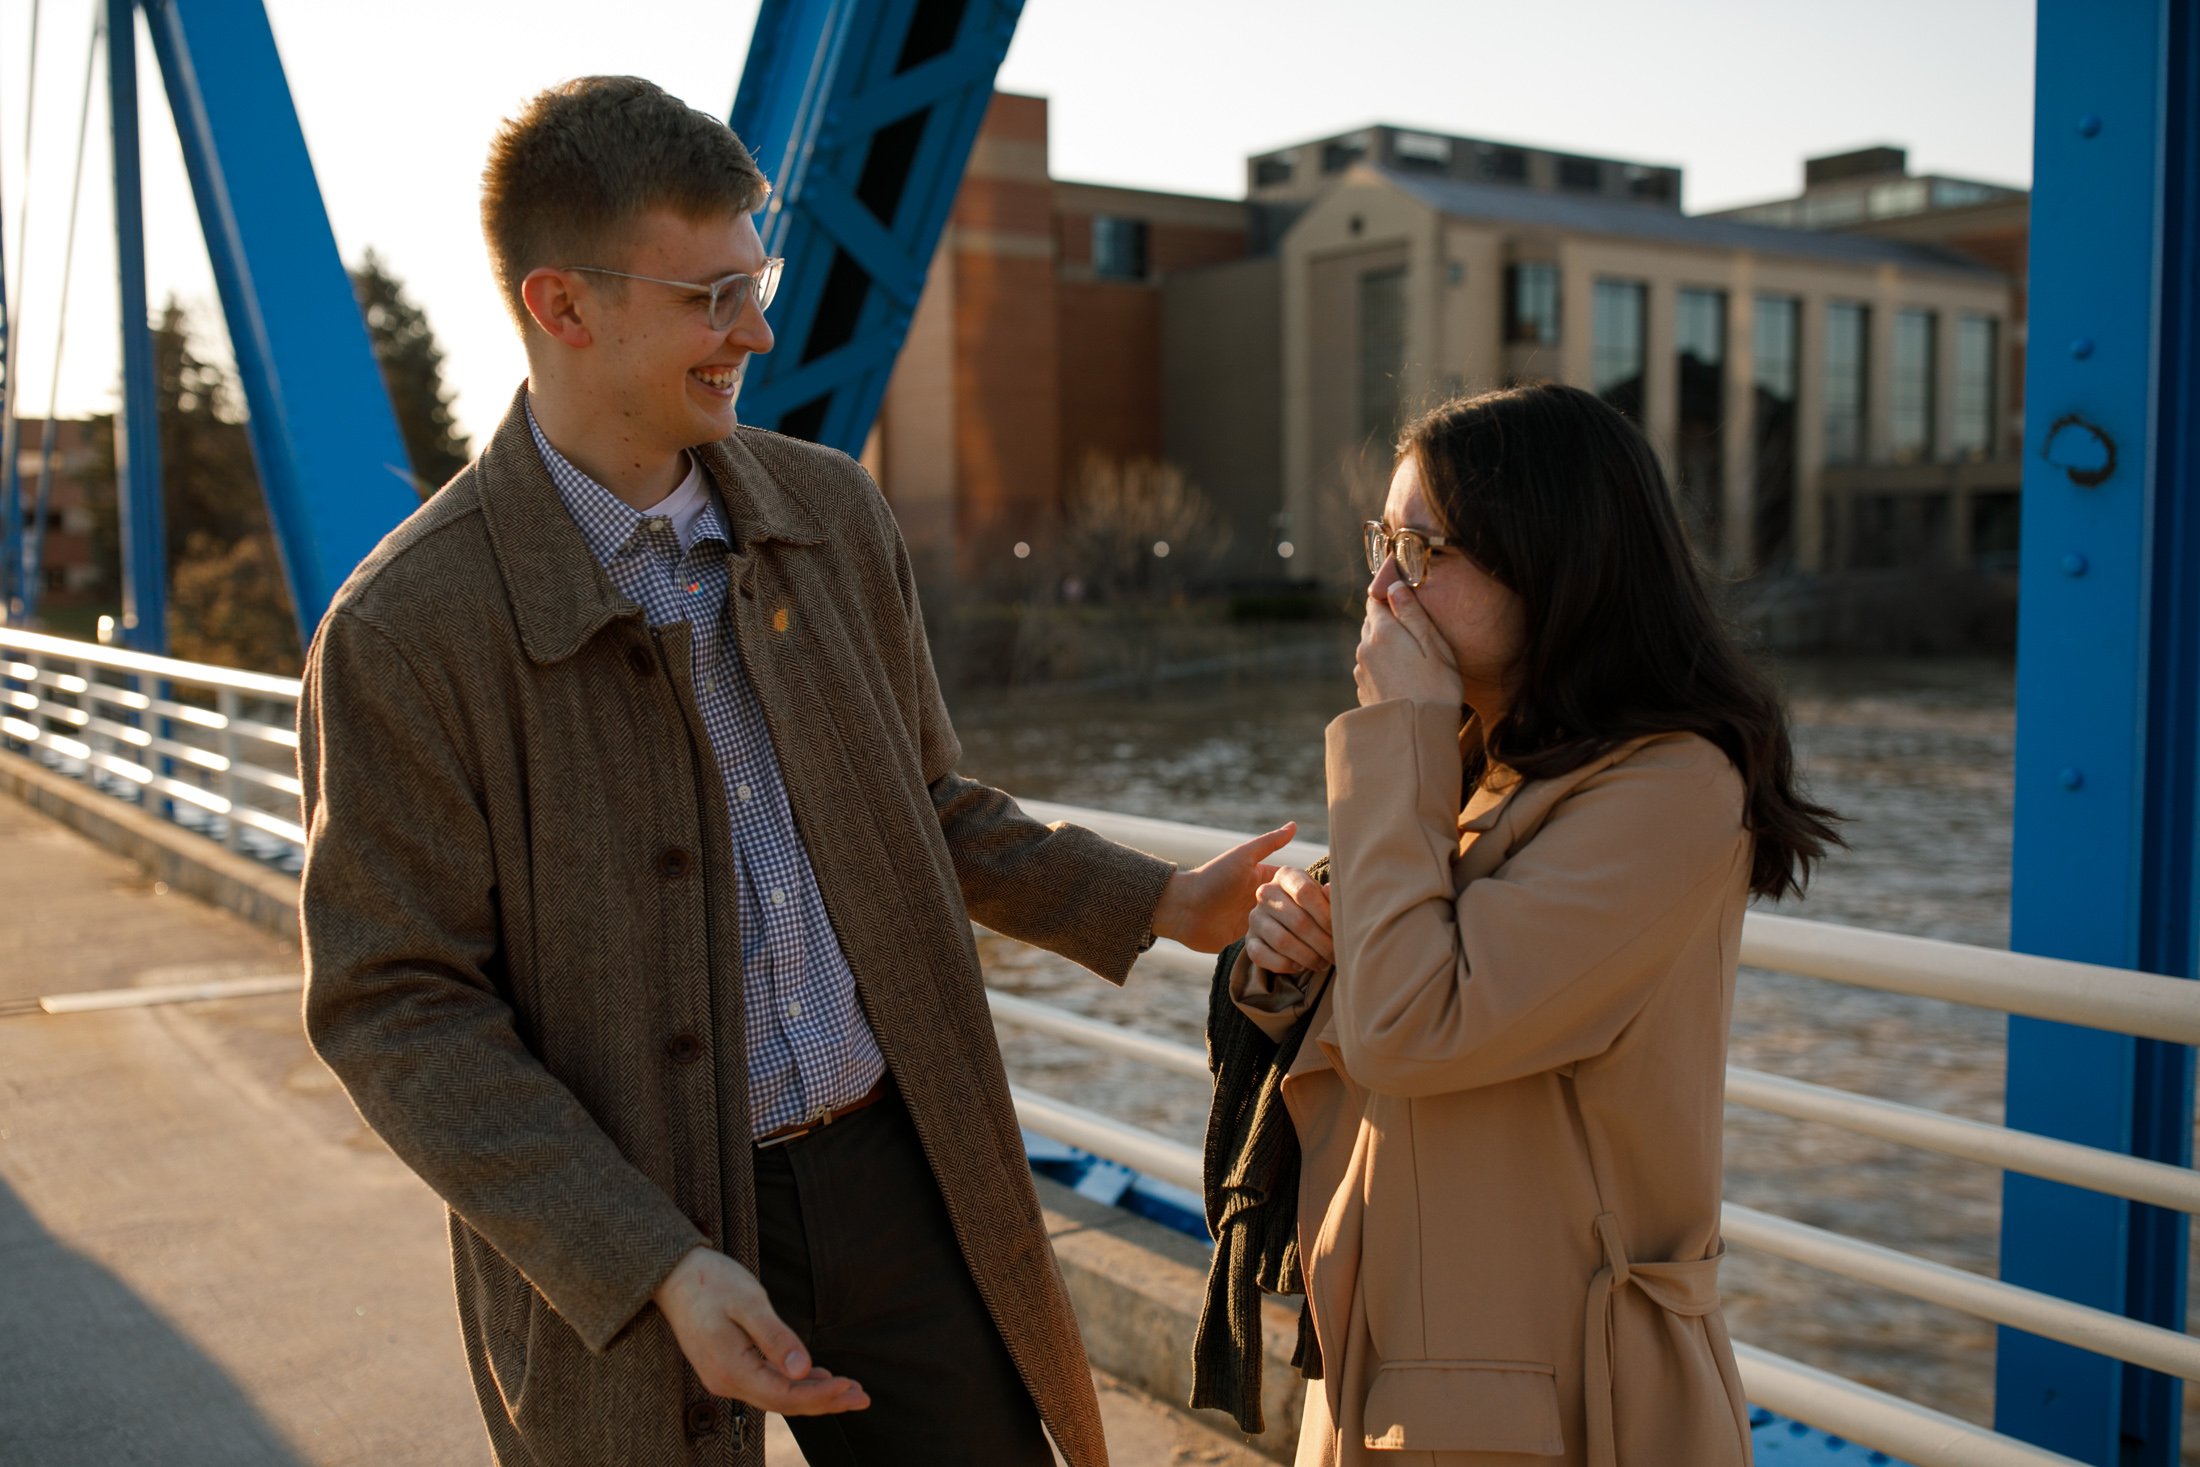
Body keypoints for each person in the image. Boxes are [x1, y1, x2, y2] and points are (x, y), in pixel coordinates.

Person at [295, 76, 1287, 1467]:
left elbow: (924, 807)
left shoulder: (831, 513)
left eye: (752, 284)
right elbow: (393, 1002)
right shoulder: (402, 631)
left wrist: (1157, 897)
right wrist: (647, 1258)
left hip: (903, 1174)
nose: (755, 331)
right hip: (634, 1228)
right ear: (562, 307)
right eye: (710, 297)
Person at [1229, 382, 1839, 1466]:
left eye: (1423, 550)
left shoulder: (1671, 789)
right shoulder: (1481, 758)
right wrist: (1293, 958)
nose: (1380, 588)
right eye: (1383, 540)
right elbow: (1380, 1017)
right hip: (1401, 1364)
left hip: (1562, 1401)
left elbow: (1415, 1030)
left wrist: (1398, 731)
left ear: (1556, 563)